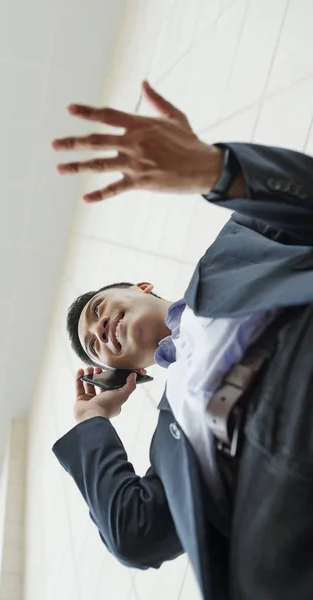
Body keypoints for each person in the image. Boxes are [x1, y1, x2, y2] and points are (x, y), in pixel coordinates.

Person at [51, 81, 313, 600]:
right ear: (128, 373)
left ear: (139, 287)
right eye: (95, 345)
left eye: (99, 311)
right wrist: (92, 421)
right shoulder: (167, 444)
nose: (99, 330)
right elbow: (134, 537)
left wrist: (213, 170)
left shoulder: (235, 249)